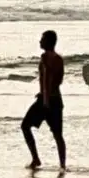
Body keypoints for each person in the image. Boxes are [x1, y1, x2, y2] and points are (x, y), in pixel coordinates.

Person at [21, 29, 66, 169]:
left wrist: (45, 99)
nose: (40, 41)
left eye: (42, 39)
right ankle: (62, 165)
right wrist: (44, 94)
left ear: (48, 42)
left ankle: (36, 159)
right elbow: (59, 81)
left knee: (25, 126)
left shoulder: (45, 58)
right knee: (58, 135)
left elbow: (47, 79)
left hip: (46, 101)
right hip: (56, 99)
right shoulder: (59, 59)